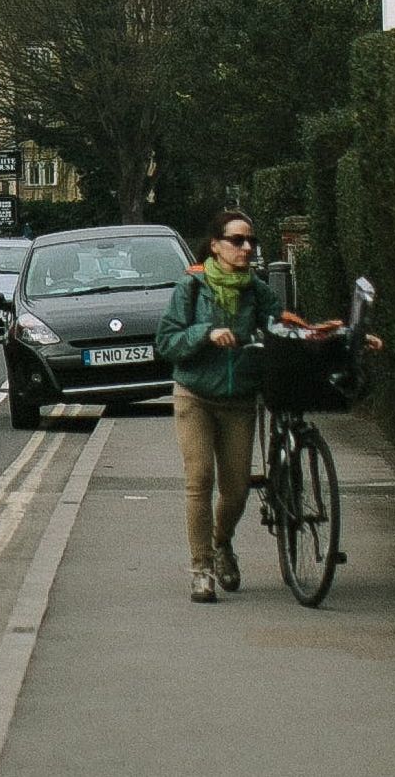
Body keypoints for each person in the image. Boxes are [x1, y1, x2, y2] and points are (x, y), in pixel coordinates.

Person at [152, 211, 284, 602]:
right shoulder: (192, 287)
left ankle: (221, 542)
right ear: (215, 245)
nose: (246, 248)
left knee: (237, 489)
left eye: (250, 242)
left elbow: (282, 327)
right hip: (195, 396)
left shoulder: (257, 291)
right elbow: (166, 342)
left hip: (239, 399)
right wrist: (205, 333)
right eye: (237, 241)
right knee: (200, 483)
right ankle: (201, 569)